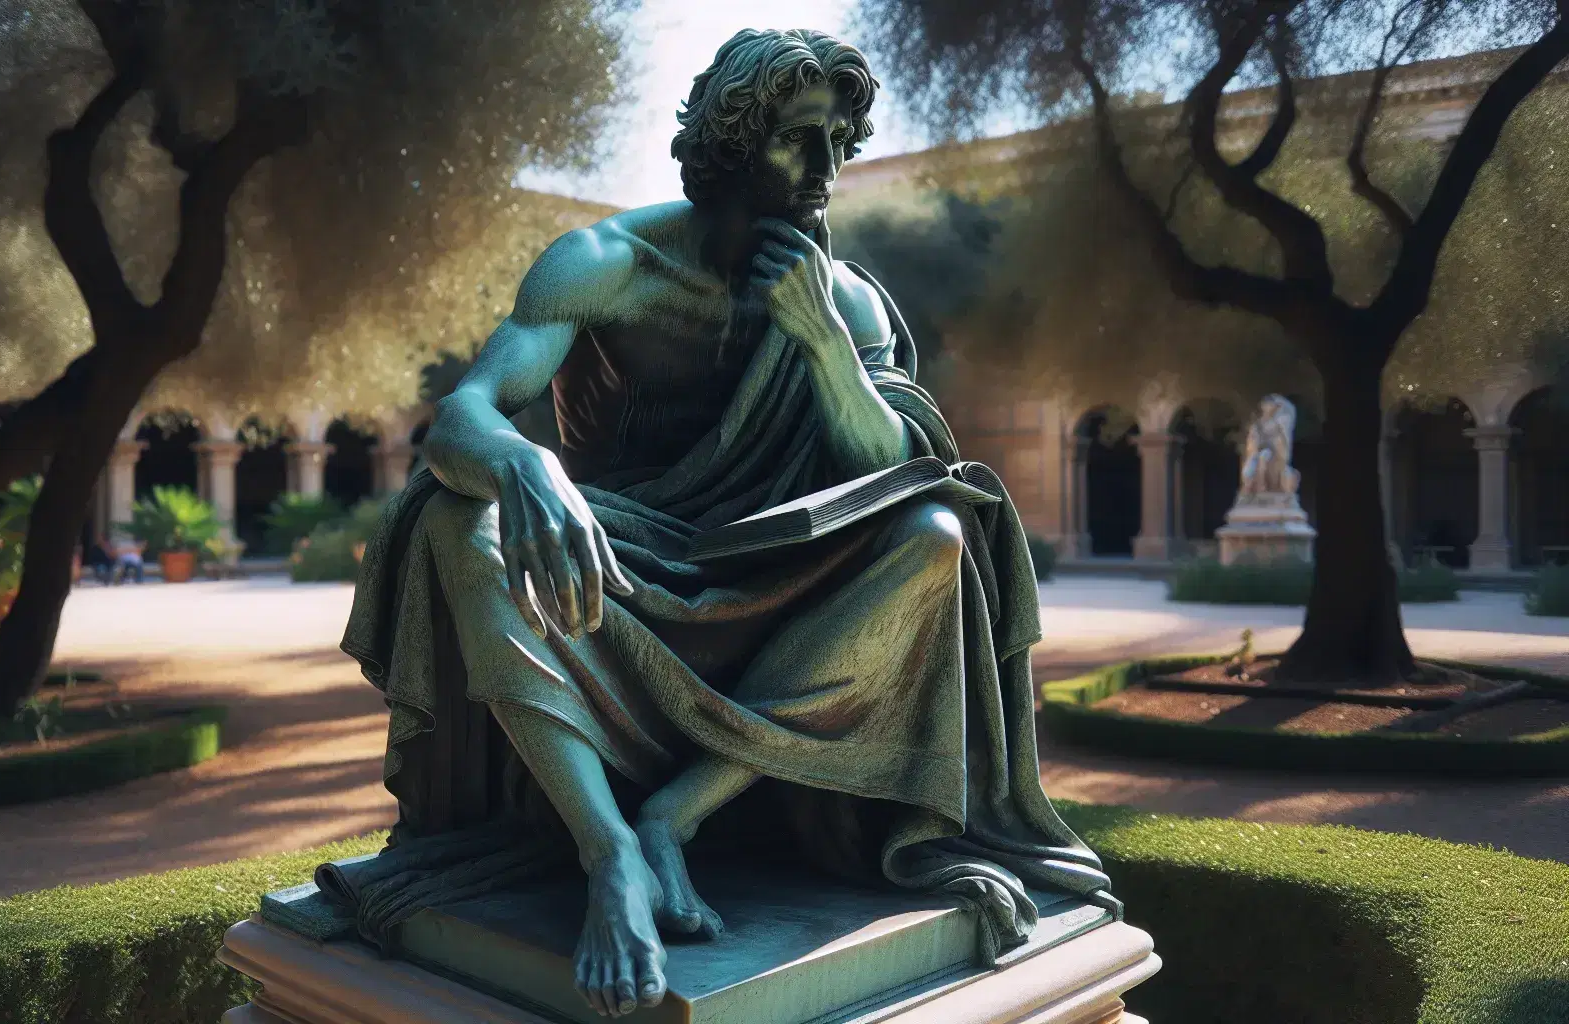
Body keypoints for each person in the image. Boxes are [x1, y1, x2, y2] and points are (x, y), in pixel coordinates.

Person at [329, 29, 1112, 1018]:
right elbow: (461, 418)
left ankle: (673, 812)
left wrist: (823, 346)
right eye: (799, 139)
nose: (827, 167)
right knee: (455, 519)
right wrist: (526, 463)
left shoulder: (848, 302)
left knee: (938, 538)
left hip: (772, 581)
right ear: (732, 140)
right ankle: (607, 849)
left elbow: (895, 471)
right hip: (616, 562)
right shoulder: (604, 262)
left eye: (839, 138)